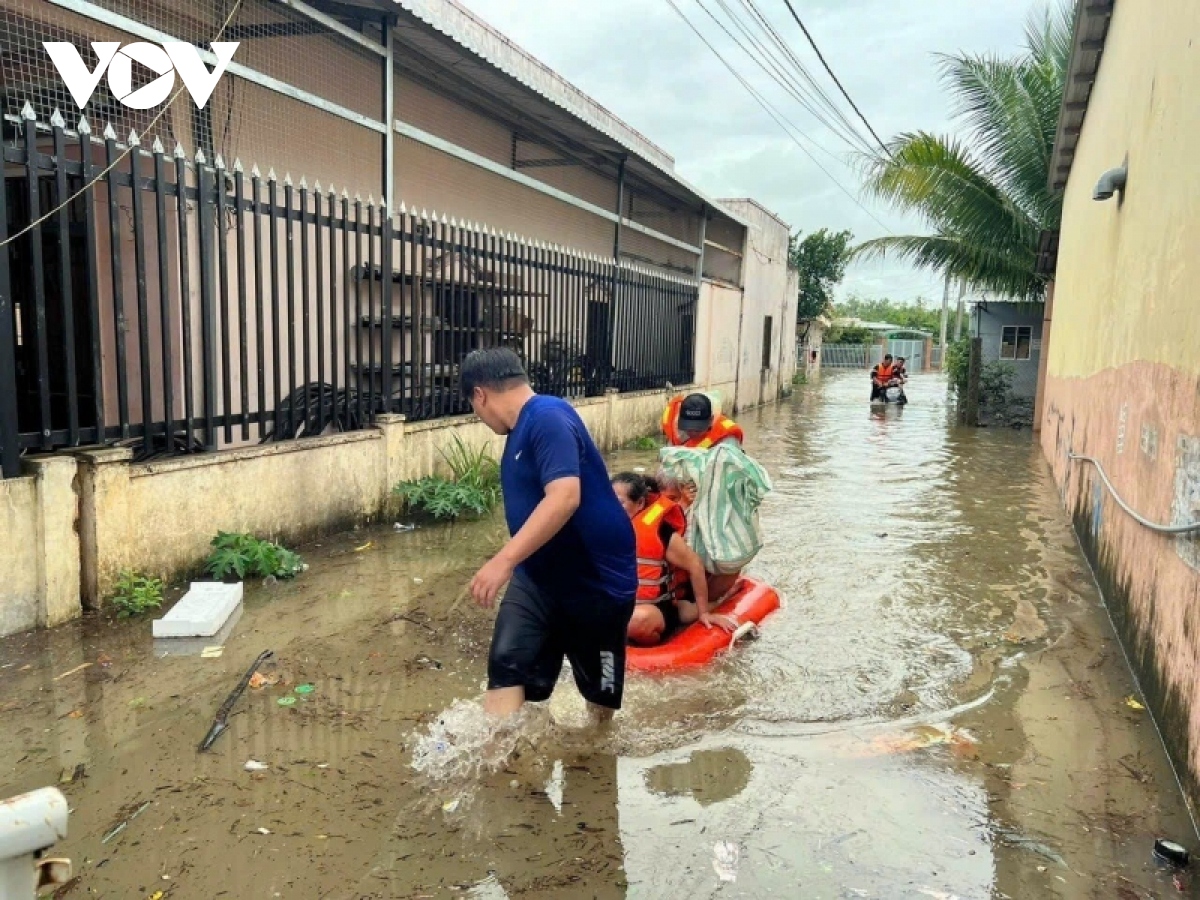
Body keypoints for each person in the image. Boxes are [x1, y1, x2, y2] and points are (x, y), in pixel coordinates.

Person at [464, 348, 636, 723]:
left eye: (474, 407)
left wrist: (503, 560)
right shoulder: (519, 430)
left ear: (480, 395)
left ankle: (594, 771)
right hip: (538, 577)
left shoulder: (548, 417)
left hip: (595, 584)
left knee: (599, 698)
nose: (479, 416)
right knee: (506, 664)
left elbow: (565, 497)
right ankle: (499, 766)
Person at [611, 472, 734, 646]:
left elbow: (695, 564)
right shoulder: (603, 527)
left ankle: (652, 636)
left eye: (620, 503)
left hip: (655, 608)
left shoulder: (661, 531)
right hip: (619, 604)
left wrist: (704, 613)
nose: (612, 508)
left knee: (634, 621)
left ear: (639, 504)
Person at [661, 392, 744, 449]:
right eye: (688, 428)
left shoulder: (727, 439)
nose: (692, 432)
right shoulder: (675, 429)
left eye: (698, 429)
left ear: (711, 420)